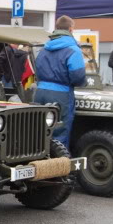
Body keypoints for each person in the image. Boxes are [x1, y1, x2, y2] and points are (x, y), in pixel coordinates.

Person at [33, 16, 86, 149]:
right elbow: (78, 76)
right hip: (61, 95)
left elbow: (37, 70)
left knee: (40, 129)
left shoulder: (44, 48)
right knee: (59, 131)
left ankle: (39, 161)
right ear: (71, 29)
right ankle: (58, 166)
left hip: (40, 93)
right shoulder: (73, 49)